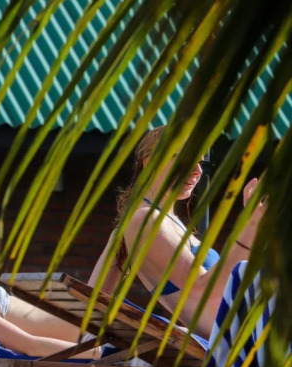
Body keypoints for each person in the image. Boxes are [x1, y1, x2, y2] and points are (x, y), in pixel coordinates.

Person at [89, 126, 265, 339]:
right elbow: (203, 290)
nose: (198, 171)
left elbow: (91, 301)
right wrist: (251, 227)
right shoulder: (145, 220)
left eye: (200, 162)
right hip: (236, 339)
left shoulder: (160, 222)